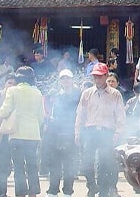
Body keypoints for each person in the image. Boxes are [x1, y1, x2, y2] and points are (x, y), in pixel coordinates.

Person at [75, 62, 126, 197]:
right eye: (95, 77)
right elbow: (80, 114)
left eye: (99, 76)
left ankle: (102, 192)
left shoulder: (115, 94)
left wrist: (117, 133)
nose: (97, 79)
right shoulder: (87, 93)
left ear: (106, 76)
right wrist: (77, 132)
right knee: (86, 162)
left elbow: (120, 116)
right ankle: (92, 186)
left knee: (104, 163)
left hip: (107, 132)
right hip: (90, 131)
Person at [0, 66, 44, 197]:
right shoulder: (37, 93)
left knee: (18, 166)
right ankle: (33, 192)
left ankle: (20, 193)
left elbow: (5, 111)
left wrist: (0, 113)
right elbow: (41, 117)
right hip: (33, 134)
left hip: (16, 134)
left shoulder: (12, 91)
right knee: (32, 164)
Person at [45, 69, 81, 197]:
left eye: (68, 78)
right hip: (56, 133)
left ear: (72, 80)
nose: (65, 81)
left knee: (69, 165)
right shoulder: (55, 95)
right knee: (54, 164)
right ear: (60, 81)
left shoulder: (79, 95)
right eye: (63, 78)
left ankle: (67, 191)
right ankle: (53, 190)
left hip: (71, 133)